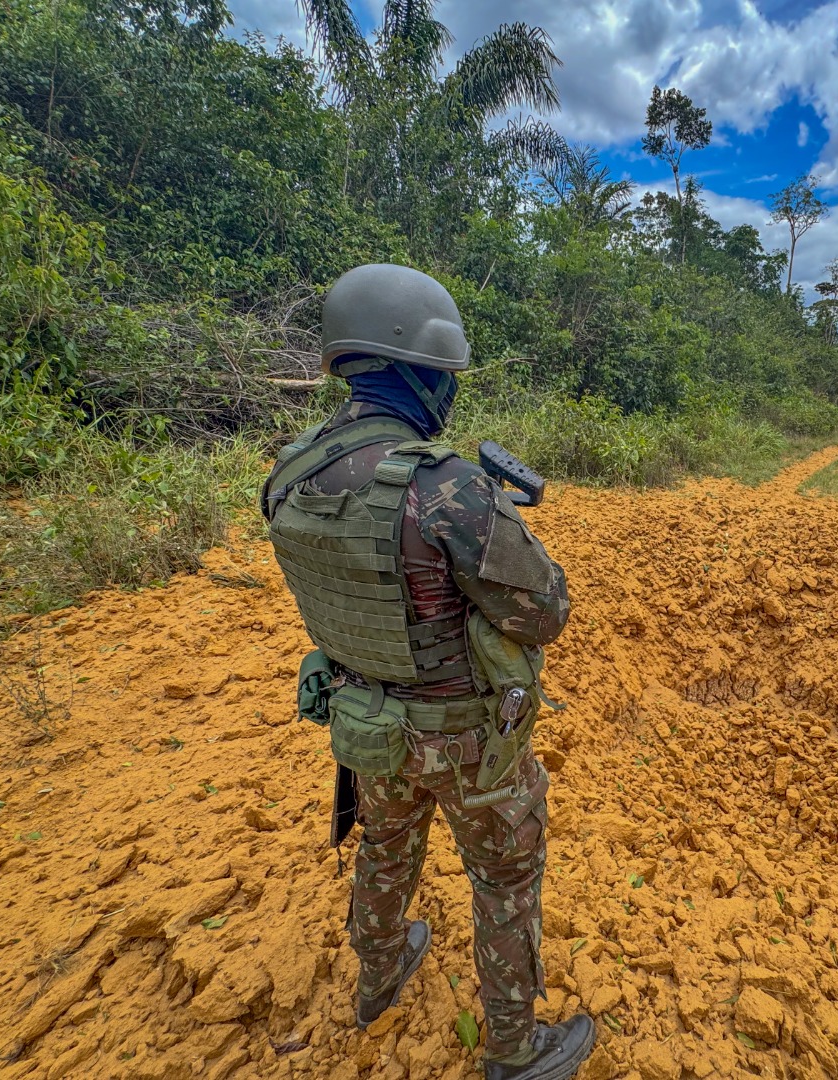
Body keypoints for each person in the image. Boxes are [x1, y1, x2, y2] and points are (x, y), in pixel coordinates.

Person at [261, 264, 595, 1080]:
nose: (447, 389)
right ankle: (515, 1051)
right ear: (415, 370)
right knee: (506, 878)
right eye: (443, 375)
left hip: (365, 722)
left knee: (385, 843)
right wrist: (500, 515)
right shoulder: (446, 487)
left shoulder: (290, 473)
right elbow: (543, 612)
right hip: (465, 741)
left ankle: (377, 979)